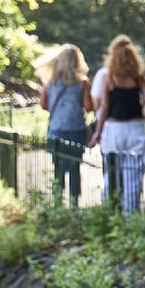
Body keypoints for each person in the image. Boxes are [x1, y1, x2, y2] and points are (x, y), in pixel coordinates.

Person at [90, 35, 145, 213]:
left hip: (114, 129)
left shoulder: (109, 78)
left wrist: (97, 132)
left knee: (113, 173)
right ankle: (130, 214)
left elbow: (105, 106)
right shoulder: (139, 79)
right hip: (135, 128)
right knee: (134, 175)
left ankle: (111, 211)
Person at [38, 45, 93, 206]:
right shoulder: (82, 83)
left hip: (56, 130)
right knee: (75, 168)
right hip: (76, 131)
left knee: (58, 168)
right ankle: (74, 203)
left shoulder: (50, 83)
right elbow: (89, 106)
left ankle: (57, 202)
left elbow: (43, 105)